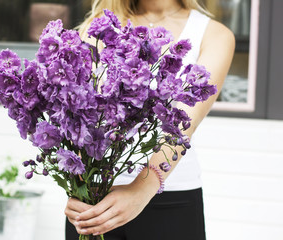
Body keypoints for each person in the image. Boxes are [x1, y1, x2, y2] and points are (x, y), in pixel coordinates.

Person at [65, 0, 235, 239]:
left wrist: (139, 191)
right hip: (94, 203)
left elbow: (184, 123)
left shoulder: (213, 34)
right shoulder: (98, 27)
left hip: (170, 200)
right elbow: (77, 116)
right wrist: (77, 186)